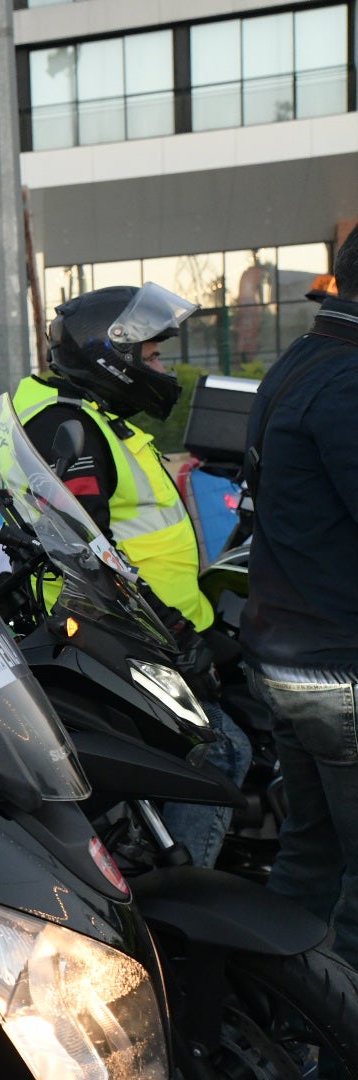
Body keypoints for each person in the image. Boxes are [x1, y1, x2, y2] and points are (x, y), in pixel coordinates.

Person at [13, 281, 250, 868]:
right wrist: (171, 634)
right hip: (122, 634)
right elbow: (87, 552)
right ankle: (184, 892)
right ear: (109, 357)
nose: (162, 368)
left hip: (153, 628)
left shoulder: (89, 417)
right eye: (152, 356)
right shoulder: (69, 429)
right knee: (220, 752)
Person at [241, 227, 358, 967]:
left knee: (310, 862)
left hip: (288, 654)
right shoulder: (347, 382)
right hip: (339, 663)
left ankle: (274, 1024)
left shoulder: (303, 361)